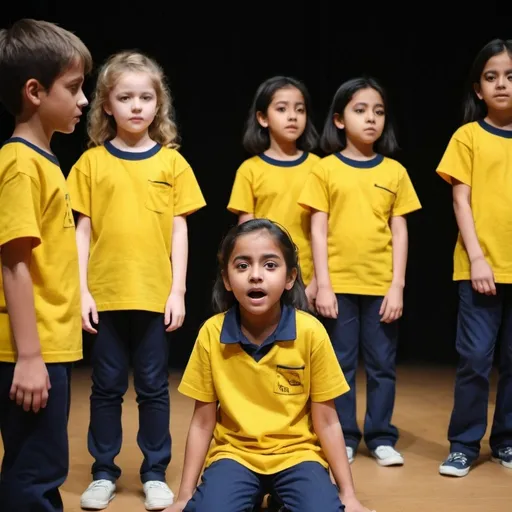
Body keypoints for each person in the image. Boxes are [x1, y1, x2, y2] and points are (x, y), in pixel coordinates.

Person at [66, 50, 206, 510]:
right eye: (125, 97)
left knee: (153, 387)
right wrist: (81, 289)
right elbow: (81, 231)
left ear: (158, 104)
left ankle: (154, 472)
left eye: (146, 97)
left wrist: (177, 291)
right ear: (106, 104)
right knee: (106, 387)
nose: (136, 106)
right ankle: (103, 471)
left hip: (153, 294)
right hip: (104, 295)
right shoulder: (90, 163)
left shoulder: (172, 164)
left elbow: (179, 230)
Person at [165, 218, 375, 512]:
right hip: (234, 455)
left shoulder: (311, 332)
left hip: (298, 454)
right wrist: (184, 496)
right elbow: (202, 423)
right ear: (226, 278)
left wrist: (348, 494)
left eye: (270, 265)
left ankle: (283, 495)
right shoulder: (212, 333)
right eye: (242, 265)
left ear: (290, 277)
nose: (255, 276)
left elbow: (327, 420)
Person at [298, 77, 421, 467]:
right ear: (338, 119)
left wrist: (397, 285)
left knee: (383, 364)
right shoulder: (326, 170)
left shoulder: (395, 172)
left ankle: (381, 435)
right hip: (340, 285)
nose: (371, 118)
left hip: (381, 284)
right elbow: (317, 229)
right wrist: (324, 285)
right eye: (360, 110)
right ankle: (346, 435)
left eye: (379, 111)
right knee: (342, 364)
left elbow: (399, 231)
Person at [0, 18, 92, 512]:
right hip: (29, 348)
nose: (82, 101)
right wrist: (30, 357)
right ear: (34, 91)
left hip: (49, 342)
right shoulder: (19, 164)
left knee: (43, 463)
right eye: (74, 89)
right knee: (33, 471)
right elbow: (13, 263)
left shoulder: (44, 161)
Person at [436, 38, 512, 477]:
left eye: (509, 75)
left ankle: (505, 439)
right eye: (491, 76)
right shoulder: (468, 136)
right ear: (478, 89)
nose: (501, 84)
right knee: (475, 359)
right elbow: (461, 202)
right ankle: (464, 443)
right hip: (480, 267)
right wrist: (479, 258)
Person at [227, 76, 320, 310]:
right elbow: (245, 235)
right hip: (265, 279)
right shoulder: (250, 170)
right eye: (281, 109)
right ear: (262, 118)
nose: (292, 116)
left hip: (307, 279)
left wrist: (318, 282)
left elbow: (327, 232)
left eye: (300, 109)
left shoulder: (319, 168)